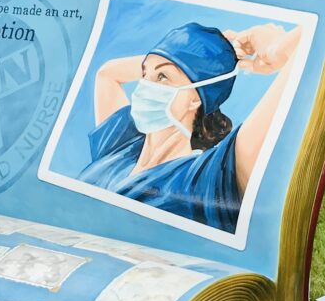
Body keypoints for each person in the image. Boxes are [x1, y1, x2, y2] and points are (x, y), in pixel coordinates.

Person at [81, 21, 305, 232]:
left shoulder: (206, 177)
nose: (144, 86)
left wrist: (275, 49)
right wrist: (203, 51)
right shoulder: (121, 146)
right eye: (144, 73)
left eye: (162, 77)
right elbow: (107, 74)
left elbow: (314, 42)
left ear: (196, 98)